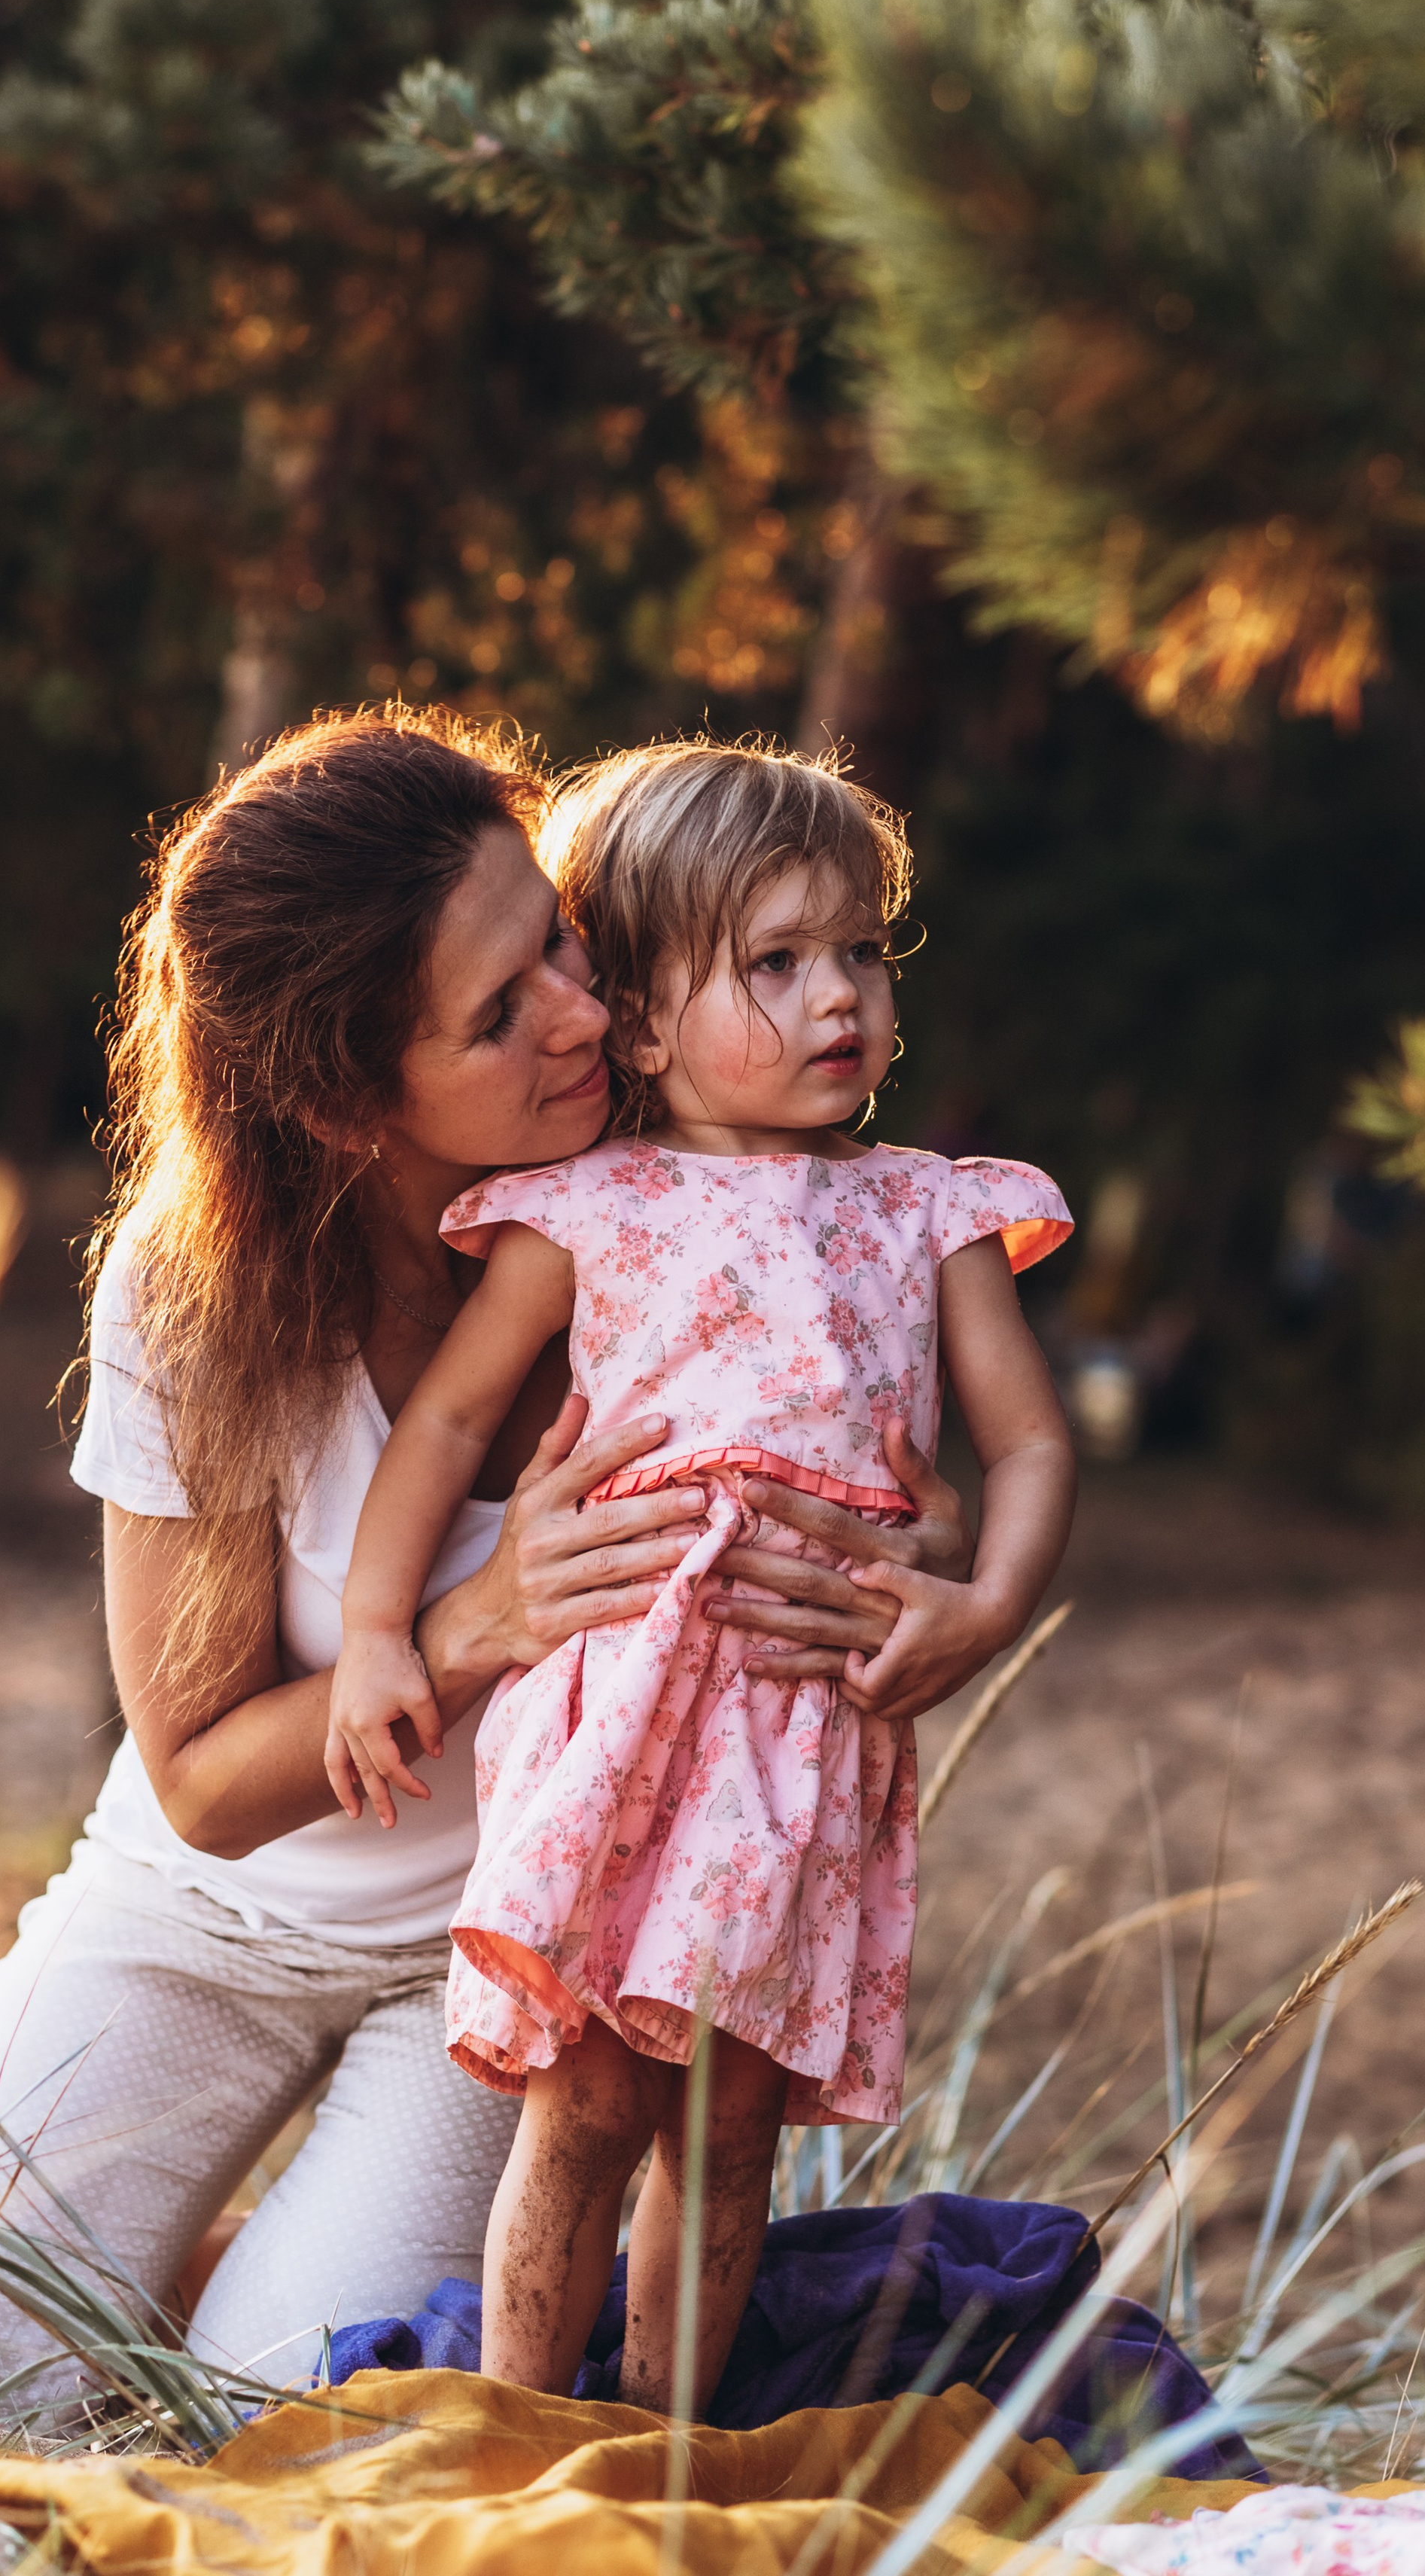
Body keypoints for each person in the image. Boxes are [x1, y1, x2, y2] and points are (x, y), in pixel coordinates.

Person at [0, 709, 985, 2432]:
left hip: (493, 1964)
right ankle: (144, 2259)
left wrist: (926, 1565)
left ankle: (225, 2291)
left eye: (560, 941)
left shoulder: (687, 1213)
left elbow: (889, 1468)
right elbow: (203, 1782)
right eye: (500, 1014)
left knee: (276, 2438)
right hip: (191, 1922)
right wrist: (470, 1624)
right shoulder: (193, 1293)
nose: (582, 1012)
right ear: (351, 1096)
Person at [329, 739, 1076, 2413]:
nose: (840, 999)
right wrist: (382, 1626)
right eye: (777, 962)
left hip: (805, 1729)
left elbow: (1027, 1448)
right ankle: (519, 2431)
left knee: (732, 2116)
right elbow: (449, 1422)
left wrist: (984, 1602)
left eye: (862, 954)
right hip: (621, 1708)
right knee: (590, 2095)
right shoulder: (585, 1209)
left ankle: (663, 2439)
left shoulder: (927, 1214)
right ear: (647, 1021)